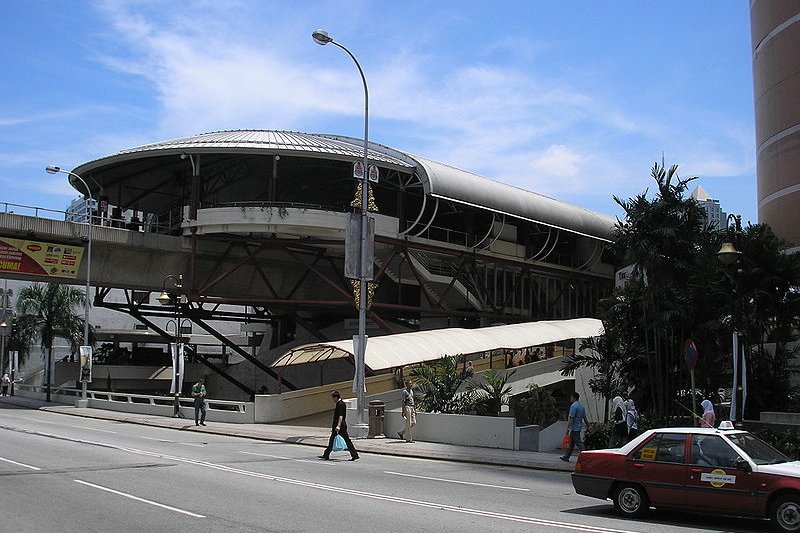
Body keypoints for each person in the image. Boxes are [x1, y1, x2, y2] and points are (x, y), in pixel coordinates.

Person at [319, 390, 359, 461]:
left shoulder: (340, 404)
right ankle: (326, 454)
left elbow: (341, 416)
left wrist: (338, 426)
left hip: (340, 427)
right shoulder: (340, 403)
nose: (332, 400)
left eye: (332, 398)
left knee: (346, 440)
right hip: (339, 426)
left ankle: (354, 454)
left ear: (336, 397)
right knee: (332, 440)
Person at [560, 392, 589, 462]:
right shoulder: (581, 406)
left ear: (573, 397)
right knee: (572, 443)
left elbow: (571, 418)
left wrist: (568, 428)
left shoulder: (573, 406)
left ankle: (585, 456)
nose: (570, 399)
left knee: (579, 443)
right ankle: (566, 456)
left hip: (574, 428)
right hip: (579, 427)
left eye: (571, 397)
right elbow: (584, 417)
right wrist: (588, 425)